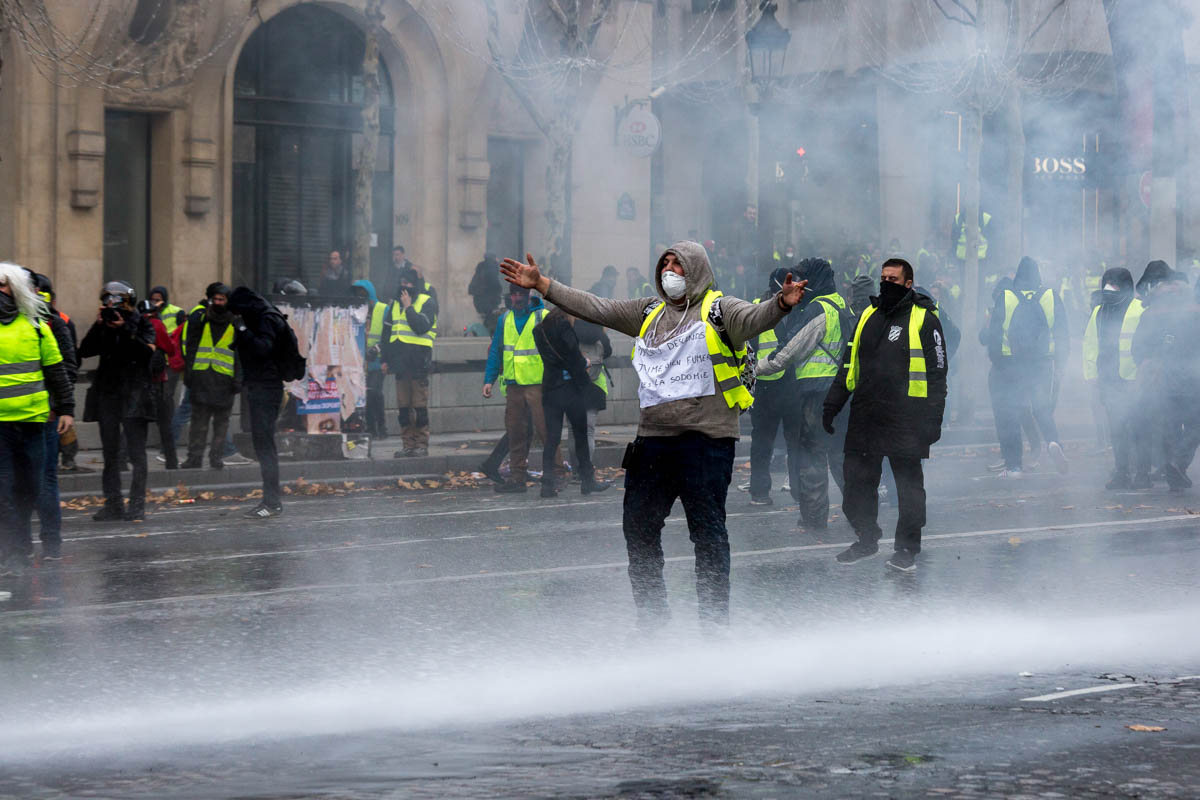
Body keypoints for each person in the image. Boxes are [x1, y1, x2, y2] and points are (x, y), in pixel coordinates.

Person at [500, 241, 807, 627]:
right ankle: (653, 621)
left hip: (707, 441)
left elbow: (754, 318)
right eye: (665, 264)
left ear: (696, 270)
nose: (670, 271)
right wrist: (544, 285)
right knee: (638, 530)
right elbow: (598, 307)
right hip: (653, 441)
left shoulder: (719, 308)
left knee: (708, 536)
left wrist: (781, 304)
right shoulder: (649, 311)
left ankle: (714, 626)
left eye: (679, 265)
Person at [823, 258, 948, 573]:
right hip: (866, 415)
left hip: (907, 419)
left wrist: (933, 420)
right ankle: (867, 538)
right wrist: (833, 403)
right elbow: (849, 365)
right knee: (855, 483)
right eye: (883, 277)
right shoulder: (868, 314)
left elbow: (937, 375)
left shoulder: (924, 319)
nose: (886, 282)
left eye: (893, 278)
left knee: (908, 488)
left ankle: (906, 550)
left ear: (908, 284)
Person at [0, 264, 74, 573]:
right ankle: (11, 553)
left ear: (16, 289)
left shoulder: (36, 326)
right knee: (3, 491)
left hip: (33, 424)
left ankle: (20, 547)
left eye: (3, 286)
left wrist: (67, 409)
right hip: (0, 428)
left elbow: (57, 370)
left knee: (29, 489)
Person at [774, 258, 850, 530]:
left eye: (804, 280)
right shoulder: (841, 303)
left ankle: (814, 519)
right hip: (841, 393)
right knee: (841, 456)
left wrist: (756, 367)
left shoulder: (818, 309)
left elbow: (789, 351)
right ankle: (862, 512)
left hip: (816, 394)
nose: (800, 287)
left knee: (812, 457)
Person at [78, 280, 156, 521]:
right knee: (110, 453)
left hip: (134, 395)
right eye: (107, 301)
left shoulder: (141, 323)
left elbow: (146, 353)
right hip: (109, 394)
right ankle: (113, 504)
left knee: (136, 453)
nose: (112, 306)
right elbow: (85, 351)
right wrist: (98, 324)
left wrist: (123, 329)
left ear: (128, 302)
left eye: (116, 301)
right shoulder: (105, 327)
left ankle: (137, 504)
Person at [985, 256, 1069, 478]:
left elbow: (993, 334)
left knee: (1009, 413)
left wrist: (998, 361)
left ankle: (1014, 466)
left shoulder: (1006, 296)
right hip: (1042, 364)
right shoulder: (1051, 296)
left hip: (1010, 366)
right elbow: (1063, 334)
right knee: (1041, 407)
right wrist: (1060, 363)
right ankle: (1053, 441)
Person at [1132, 260, 1199, 491]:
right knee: (1195, 423)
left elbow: (1138, 347)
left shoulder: (1152, 310)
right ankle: (1177, 464)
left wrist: (1148, 363)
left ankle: (1175, 473)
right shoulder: (1194, 307)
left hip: (1161, 378)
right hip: (1192, 376)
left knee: (1170, 425)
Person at [480, 285, 553, 492]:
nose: (517, 297)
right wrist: (489, 380)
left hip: (537, 384)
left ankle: (553, 477)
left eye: (521, 293)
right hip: (514, 386)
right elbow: (496, 350)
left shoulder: (542, 316)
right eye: (514, 294)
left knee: (545, 432)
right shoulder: (505, 319)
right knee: (516, 434)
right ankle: (517, 479)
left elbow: (556, 348)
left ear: (530, 295)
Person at [26, 270, 77, 563]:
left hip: (45, 415)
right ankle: (17, 544)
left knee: (45, 480)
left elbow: (68, 368)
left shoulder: (55, 324)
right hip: (15, 416)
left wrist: (61, 408)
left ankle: (51, 543)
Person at [1083, 267, 1150, 490]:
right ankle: (1122, 472)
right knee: (1117, 428)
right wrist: (1091, 376)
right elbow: (1090, 345)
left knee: (1139, 428)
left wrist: (1144, 375)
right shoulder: (1099, 311)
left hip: (1135, 379)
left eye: (1115, 284)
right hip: (1109, 380)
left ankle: (1142, 473)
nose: (1109, 288)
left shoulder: (1140, 308)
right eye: (1106, 283)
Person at [533, 307, 611, 497]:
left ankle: (547, 484)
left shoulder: (539, 330)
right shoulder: (565, 328)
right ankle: (587, 481)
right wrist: (585, 363)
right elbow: (572, 357)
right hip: (570, 390)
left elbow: (553, 359)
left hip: (551, 390)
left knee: (552, 438)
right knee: (581, 435)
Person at [228, 287, 290, 518]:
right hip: (259, 388)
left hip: (267, 389)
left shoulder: (265, 319)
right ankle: (270, 500)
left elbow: (263, 348)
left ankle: (272, 502)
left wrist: (243, 329)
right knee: (262, 446)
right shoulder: (258, 318)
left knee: (265, 448)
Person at [745, 268, 804, 507]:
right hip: (766, 388)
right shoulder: (757, 309)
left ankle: (801, 493)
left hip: (793, 385)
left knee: (796, 442)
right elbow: (746, 353)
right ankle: (759, 490)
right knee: (762, 443)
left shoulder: (801, 307)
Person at [180, 283, 239, 470]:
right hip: (202, 377)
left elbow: (240, 354)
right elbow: (191, 346)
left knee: (221, 424)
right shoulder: (201, 319)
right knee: (199, 423)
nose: (218, 302)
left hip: (225, 380)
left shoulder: (237, 323)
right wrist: (189, 373)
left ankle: (216, 458)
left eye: (222, 299)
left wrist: (238, 379)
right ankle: (194, 458)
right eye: (216, 299)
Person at [381, 267, 437, 457]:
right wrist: (385, 359)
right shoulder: (394, 305)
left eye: (408, 283)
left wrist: (408, 307)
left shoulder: (427, 302)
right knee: (403, 408)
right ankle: (408, 444)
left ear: (415, 285)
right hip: (400, 365)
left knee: (419, 407)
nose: (404, 287)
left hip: (419, 364)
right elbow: (387, 334)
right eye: (402, 283)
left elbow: (421, 327)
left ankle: (421, 444)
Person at [32, 274, 80, 472]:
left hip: (52, 397)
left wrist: (61, 401)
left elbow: (70, 362)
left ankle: (69, 456)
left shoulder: (59, 322)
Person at [137, 299, 181, 470]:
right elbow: (170, 349)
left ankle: (122, 459)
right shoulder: (156, 324)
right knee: (165, 424)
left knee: (135, 423)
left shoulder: (132, 326)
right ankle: (171, 461)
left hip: (138, 383)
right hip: (157, 382)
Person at [352, 280, 389, 439]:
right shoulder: (356, 310)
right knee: (365, 394)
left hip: (378, 360)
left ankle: (381, 426)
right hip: (361, 361)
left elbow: (389, 335)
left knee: (375, 392)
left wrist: (378, 349)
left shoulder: (383, 309)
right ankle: (371, 428)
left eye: (363, 294)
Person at [468, 253, 502, 318]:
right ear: (493, 258)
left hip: (479, 302)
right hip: (487, 302)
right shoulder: (492, 267)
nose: (498, 260)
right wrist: (499, 291)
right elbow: (494, 284)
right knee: (490, 321)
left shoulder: (481, 266)